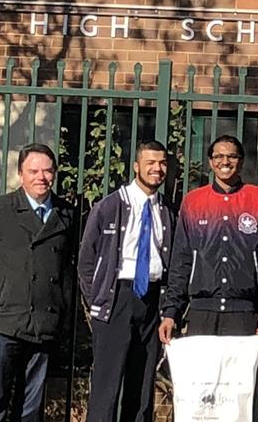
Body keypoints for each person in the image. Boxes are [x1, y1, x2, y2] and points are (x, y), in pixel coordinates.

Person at [0, 143, 75, 422]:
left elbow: (66, 267)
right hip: (4, 321)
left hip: (45, 321)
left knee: (31, 408)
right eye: (33, 171)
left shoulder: (66, 214)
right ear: (20, 174)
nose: (41, 177)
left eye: (47, 171)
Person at [78, 140, 174, 422]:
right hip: (116, 296)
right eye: (150, 163)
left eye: (162, 163)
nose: (157, 169)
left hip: (152, 297)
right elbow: (86, 259)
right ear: (136, 167)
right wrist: (97, 298)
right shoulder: (109, 206)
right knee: (108, 382)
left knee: (143, 381)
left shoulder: (166, 210)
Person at [159, 134, 258, 348]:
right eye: (219, 156)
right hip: (201, 312)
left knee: (241, 381)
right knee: (202, 380)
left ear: (240, 161)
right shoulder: (193, 201)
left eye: (231, 156)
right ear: (211, 162)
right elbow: (181, 260)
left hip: (244, 313)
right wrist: (170, 312)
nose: (225, 162)